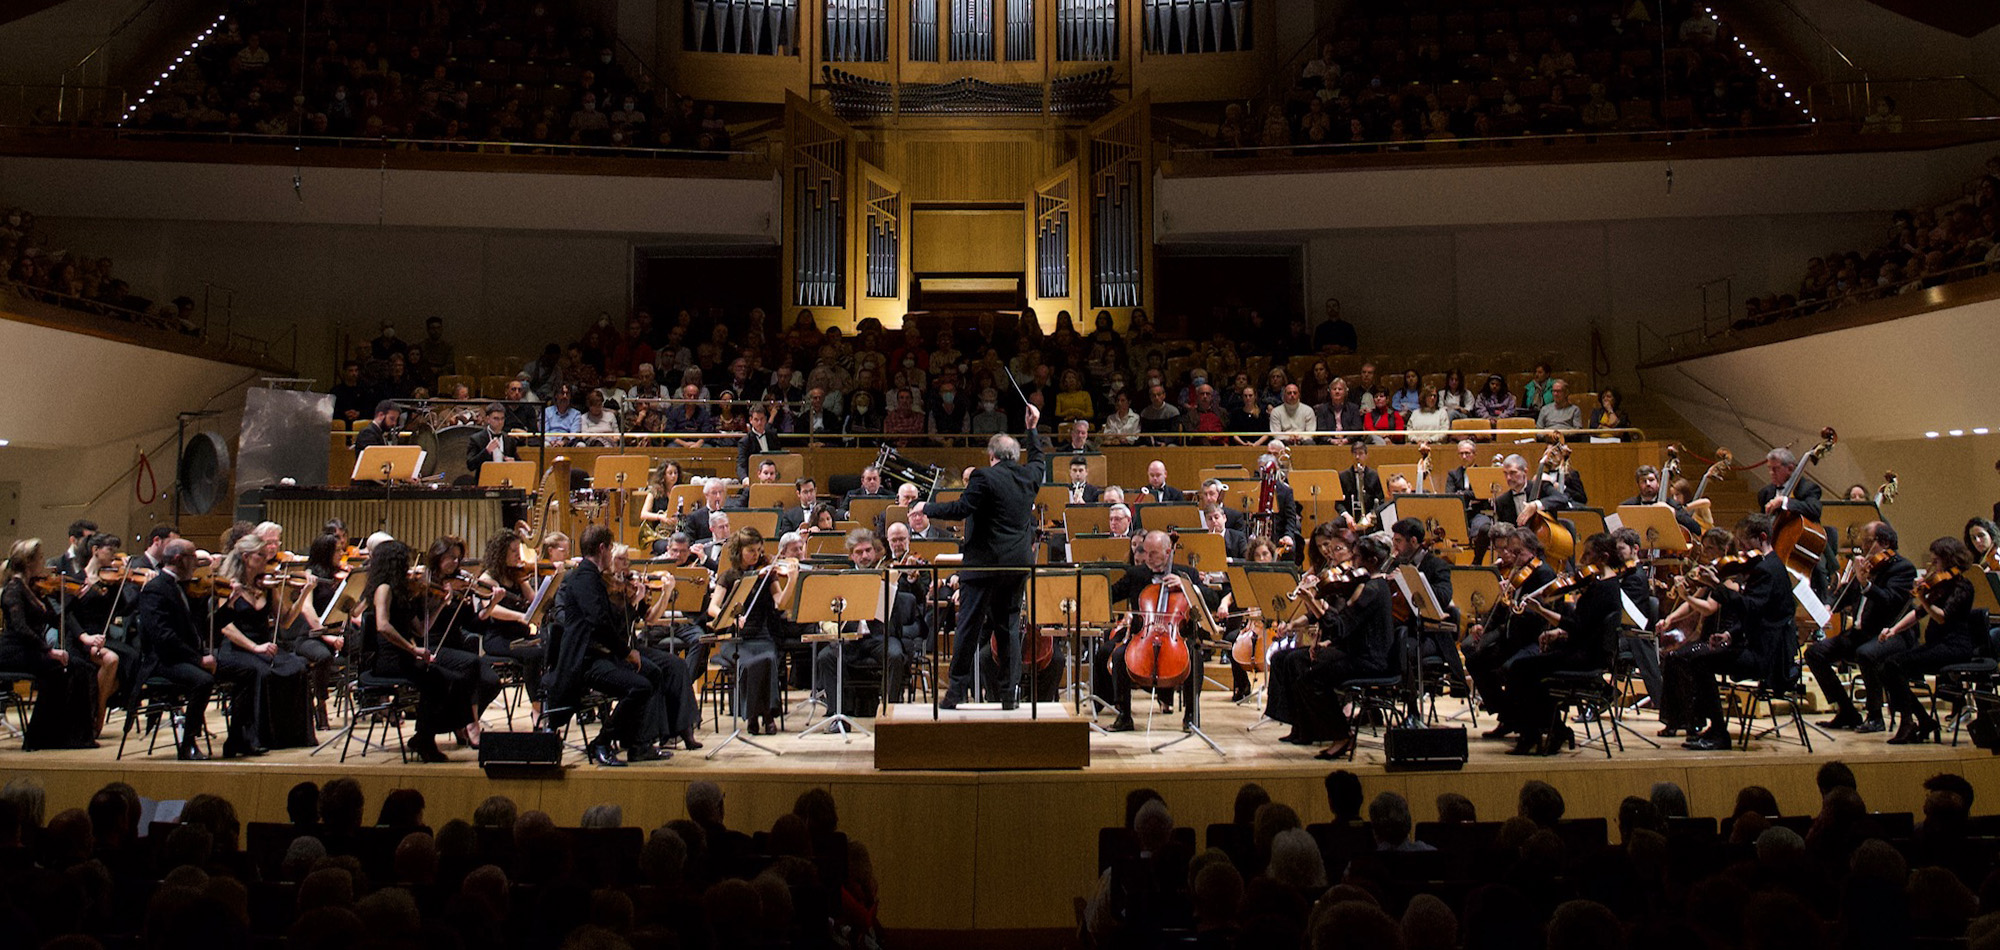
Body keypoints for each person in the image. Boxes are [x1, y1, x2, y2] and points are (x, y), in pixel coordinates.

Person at [914, 403, 1045, 710]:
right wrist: (1032, 429)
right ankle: (1009, 695)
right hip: (1016, 565)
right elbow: (1039, 459)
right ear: (1015, 455)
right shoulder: (1030, 477)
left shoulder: (984, 477)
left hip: (984, 564)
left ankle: (956, 693)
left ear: (991, 455)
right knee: (1008, 628)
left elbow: (961, 509)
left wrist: (926, 508)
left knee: (969, 627)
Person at [1663, 515, 1796, 751]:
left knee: (1699, 661)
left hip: (1767, 656)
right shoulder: (1771, 565)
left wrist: (1716, 585)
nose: (1742, 550)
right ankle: (1709, 726)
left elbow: (1750, 607)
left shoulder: (1767, 570)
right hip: (1761, 646)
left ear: (1762, 538)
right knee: (1696, 658)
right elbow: (1757, 614)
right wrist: (1730, 635)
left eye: (1745, 543)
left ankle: (1718, 732)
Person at [547, 527, 666, 767]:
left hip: (602, 654)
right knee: (639, 687)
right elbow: (598, 623)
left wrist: (632, 603)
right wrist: (627, 652)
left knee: (653, 672)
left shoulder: (594, 577)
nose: (612, 554)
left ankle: (637, 744)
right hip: (585, 660)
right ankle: (601, 742)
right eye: (611, 548)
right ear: (602, 548)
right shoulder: (583, 578)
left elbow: (609, 618)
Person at [361, 539, 489, 763]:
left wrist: (441, 604)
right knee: (437, 680)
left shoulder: (402, 591)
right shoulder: (384, 589)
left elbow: (422, 629)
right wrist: (412, 649)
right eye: (405, 562)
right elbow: (382, 625)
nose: (410, 567)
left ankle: (425, 735)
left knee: (455, 680)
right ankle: (425, 740)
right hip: (390, 659)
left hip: (406, 655)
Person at [1503, 533, 1626, 756]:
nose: (1582, 560)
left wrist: (1541, 611)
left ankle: (1537, 732)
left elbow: (1578, 626)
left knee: (1520, 669)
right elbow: (1588, 627)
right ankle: (1549, 730)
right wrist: (1559, 633)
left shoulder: (1603, 589)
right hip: (1583, 649)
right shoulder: (1602, 584)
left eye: (1588, 554)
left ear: (1604, 557)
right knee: (1526, 670)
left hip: (1587, 657)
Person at [1804, 521, 1916, 733]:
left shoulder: (1902, 568)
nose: (1862, 547)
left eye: (1867, 541)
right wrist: (1829, 605)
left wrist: (1866, 584)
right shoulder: (1868, 565)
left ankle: (1875, 717)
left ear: (1884, 542)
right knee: (1814, 653)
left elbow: (1890, 600)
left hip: (1891, 634)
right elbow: (1845, 593)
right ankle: (1847, 711)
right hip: (1861, 633)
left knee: (1866, 654)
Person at [211, 536, 316, 754]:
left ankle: (288, 735)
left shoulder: (267, 585)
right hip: (235, 648)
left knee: (297, 666)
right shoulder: (228, 584)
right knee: (262, 672)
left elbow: (285, 620)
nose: (266, 559)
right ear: (246, 557)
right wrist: (254, 647)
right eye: (261, 555)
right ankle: (254, 737)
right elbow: (225, 627)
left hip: (263, 647)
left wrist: (305, 593)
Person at [1105, 531, 1217, 733]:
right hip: (1143, 638)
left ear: (1168, 551)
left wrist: (1186, 586)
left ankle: (1191, 715)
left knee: (1195, 659)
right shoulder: (1136, 574)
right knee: (1120, 655)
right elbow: (1110, 594)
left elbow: (1212, 600)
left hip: (1177, 637)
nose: (1147, 557)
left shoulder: (1187, 574)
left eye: (1153, 553)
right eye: (1145, 552)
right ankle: (1124, 715)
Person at [1878, 537, 1981, 745]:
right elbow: (1918, 614)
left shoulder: (1963, 586)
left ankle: (1912, 722)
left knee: (1893, 665)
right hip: (1938, 645)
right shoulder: (1940, 584)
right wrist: (1894, 630)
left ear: (1948, 559)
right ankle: (1921, 720)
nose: (1932, 565)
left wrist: (1924, 598)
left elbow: (1942, 617)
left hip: (1955, 646)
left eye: (1936, 561)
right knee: (1886, 667)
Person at [1, 540, 99, 751]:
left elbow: (56, 619)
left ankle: (71, 736)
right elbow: (20, 628)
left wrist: (72, 600)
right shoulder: (13, 590)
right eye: (40, 557)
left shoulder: (34, 588)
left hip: (30, 648)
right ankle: (38, 738)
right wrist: (50, 651)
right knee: (57, 670)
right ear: (29, 562)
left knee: (82, 668)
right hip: (14, 650)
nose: (44, 561)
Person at [1465, 528, 1557, 740]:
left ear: (1533, 550)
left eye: (1519, 553)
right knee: (1476, 660)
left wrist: (1513, 600)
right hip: (1514, 638)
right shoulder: (1516, 572)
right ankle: (1507, 715)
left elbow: (1538, 619)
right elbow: (1501, 611)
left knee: (1512, 668)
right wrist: (1483, 627)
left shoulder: (1544, 574)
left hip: (1535, 640)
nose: (1514, 558)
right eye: (1511, 552)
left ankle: (1522, 721)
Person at [132, 539, 216, 760]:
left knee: (243, 671)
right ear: (179, 559)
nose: (197, 564)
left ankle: (241, 738)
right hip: (162, 661)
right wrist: (198, 660)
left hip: (181, 657)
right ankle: (187, 744)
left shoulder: (182, 586)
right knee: (203, 681)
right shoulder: (155, 589)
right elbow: (163, 638)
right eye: (193, 559)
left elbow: (200, 627)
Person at [708, 527, 791, 734]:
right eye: (751, 550)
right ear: (739, 551)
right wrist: (732, 619)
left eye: (759, 550)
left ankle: (764, 714)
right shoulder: (728, 577)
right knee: (749, 663)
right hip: (735, 640)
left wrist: (793, 578)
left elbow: (780, 602)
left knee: (769, 660)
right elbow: (713, 608)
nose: (757, 555)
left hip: (762, 637)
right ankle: (759, 715)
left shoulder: (766, 575)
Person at [467, 531, 546, 723]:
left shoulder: (516, 575)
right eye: (513, 551)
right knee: (534, 654)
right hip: (499, 638)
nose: (518, 555)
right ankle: (537, 708)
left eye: (518, 550)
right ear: (500, 553)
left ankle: (548, 701)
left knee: (551, 644)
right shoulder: (488, 578)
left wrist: (528, 583)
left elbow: (534, 601)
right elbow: (492, 610)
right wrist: (521, 617)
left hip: (520, 635)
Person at [1622, 465, 1703, 537]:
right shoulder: (1627, 506)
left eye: (1651, 480)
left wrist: (1673, 512)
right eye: (1643, 481)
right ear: (1638, 484)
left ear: (1658, 483)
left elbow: (1696, 529)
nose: (1648, 484)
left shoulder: (1671, 504)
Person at [464, 403, 520, 480]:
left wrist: (514, 462)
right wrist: (487, 451)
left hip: (505, 482)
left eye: (502, 418)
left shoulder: (509, 439)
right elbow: (470, 465)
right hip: (485, 483)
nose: (500, 422)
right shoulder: (476, 439)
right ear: (488, 419)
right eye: (496, 419)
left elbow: (519, 462)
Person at [736, 405, 784, 479]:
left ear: (765, 419)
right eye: (756, 420)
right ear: (750, 420)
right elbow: (741, 465)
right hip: (754, 478)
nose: (759, 423)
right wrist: (745, 479)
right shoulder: (745, 442)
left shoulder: (772, 435)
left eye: (762, 419)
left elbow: (779, 458)